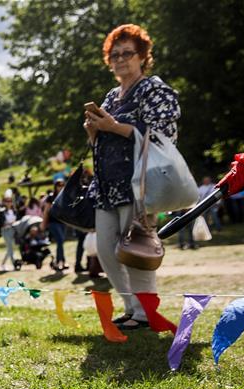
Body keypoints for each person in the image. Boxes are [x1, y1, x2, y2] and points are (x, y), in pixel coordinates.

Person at [85, 24, 180, 331]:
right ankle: (131, 308)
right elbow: (105, 139)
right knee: (105, 249)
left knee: (135, 248)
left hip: (139, 182)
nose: (121, 59)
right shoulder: (112, 96)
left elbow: (163, 135)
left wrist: (115, 127)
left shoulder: (154, 89)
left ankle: (144, 312)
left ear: (142, 57)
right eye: (115, 54)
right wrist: (94, 134)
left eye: (128, 53)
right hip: (107, 185)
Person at [41, 180, 68, 270]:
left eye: (62, 185)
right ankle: (59, 262)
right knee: (60, 240)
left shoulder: (65, 196)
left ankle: (62, 261)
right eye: (59, 185)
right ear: (55, 187)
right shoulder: (51, 197)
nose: (60, 187)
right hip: (53, 222)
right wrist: (44, 223)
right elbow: (46, 211)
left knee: (61, 242)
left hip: (63, 223)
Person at [0, 195, 18, 270]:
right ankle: (14, 264)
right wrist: (8, 224)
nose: (9, 203)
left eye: (10, 201)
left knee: (11, 248)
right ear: (4, 202)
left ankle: (3, 263)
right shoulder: (2, 211)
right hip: (5, 231)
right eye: (7, 201)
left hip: (13, 230)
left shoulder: (14, 211)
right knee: (10, 248)